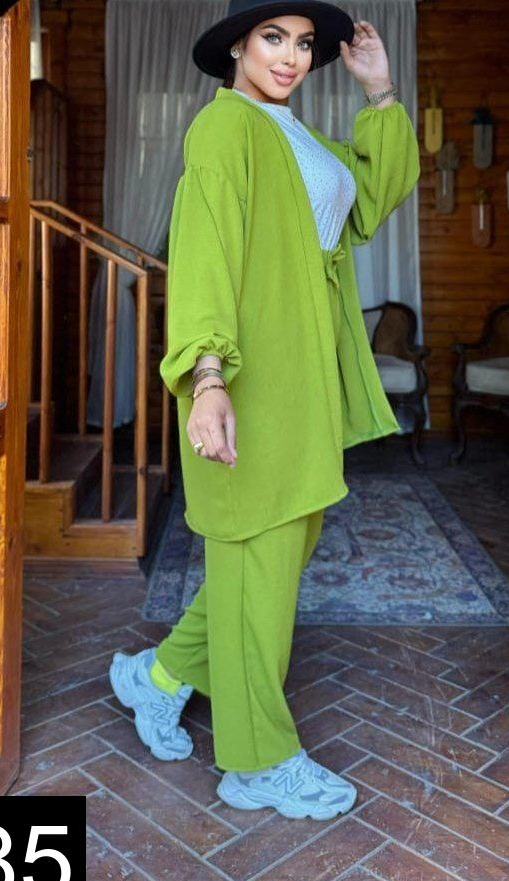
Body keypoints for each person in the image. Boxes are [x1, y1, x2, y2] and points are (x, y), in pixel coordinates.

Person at [109, 0, 420, 820]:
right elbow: (204, 252)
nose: (290, 57)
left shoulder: (296, 134)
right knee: (260, 556)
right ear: (238, 47)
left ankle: (160, 676)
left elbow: (370, 197)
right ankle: (257, 762)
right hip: (249, 376)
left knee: (279, 552)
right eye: (273, 39)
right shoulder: (224, 129)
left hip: (304, 370)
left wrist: (380, 93)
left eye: (304, 44)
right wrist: (207, 376)